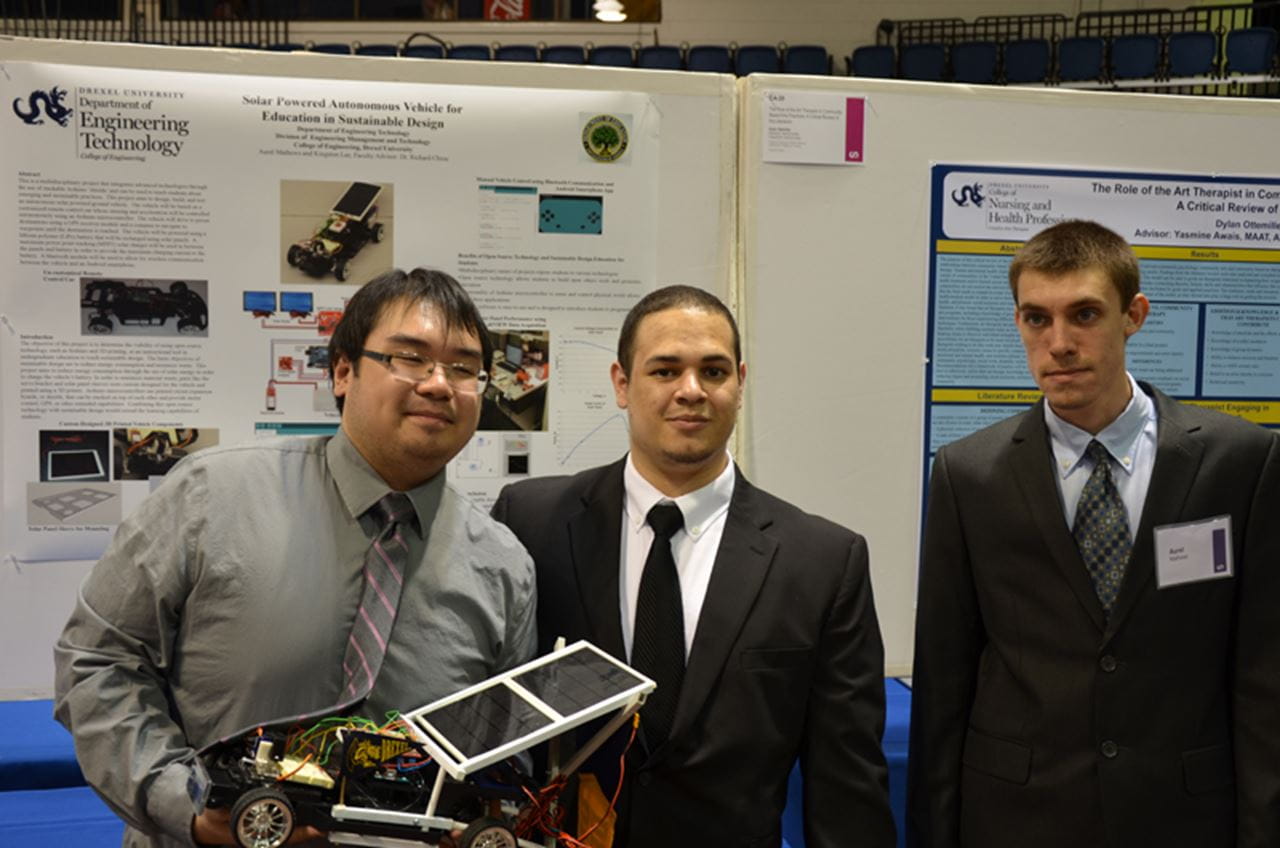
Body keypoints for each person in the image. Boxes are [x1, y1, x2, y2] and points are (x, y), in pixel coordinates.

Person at [54, 268, 536, 848]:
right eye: (409, 358)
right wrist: (185, 802)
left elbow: (506, 752)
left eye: (463, 368)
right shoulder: (211, 495)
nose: (439, 384)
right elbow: (98, 659)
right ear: (343, 371)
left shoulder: (503, 567)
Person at [907, 220, 1280, 848]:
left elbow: (1264, 675)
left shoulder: (1239, 462)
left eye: (1084, 314)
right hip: (1018, 815)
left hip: (1183, 816)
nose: (1058, 343)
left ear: (1133, 315)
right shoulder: (968, 474)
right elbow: (944, 680)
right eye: (1036, 319)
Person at [492, 285, 895, 848]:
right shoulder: (532, 523)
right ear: (621, 384)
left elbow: (847, 788)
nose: (691, 390)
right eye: (664, 370)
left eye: (713, 371)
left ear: (740, 384)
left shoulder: (821, 562)